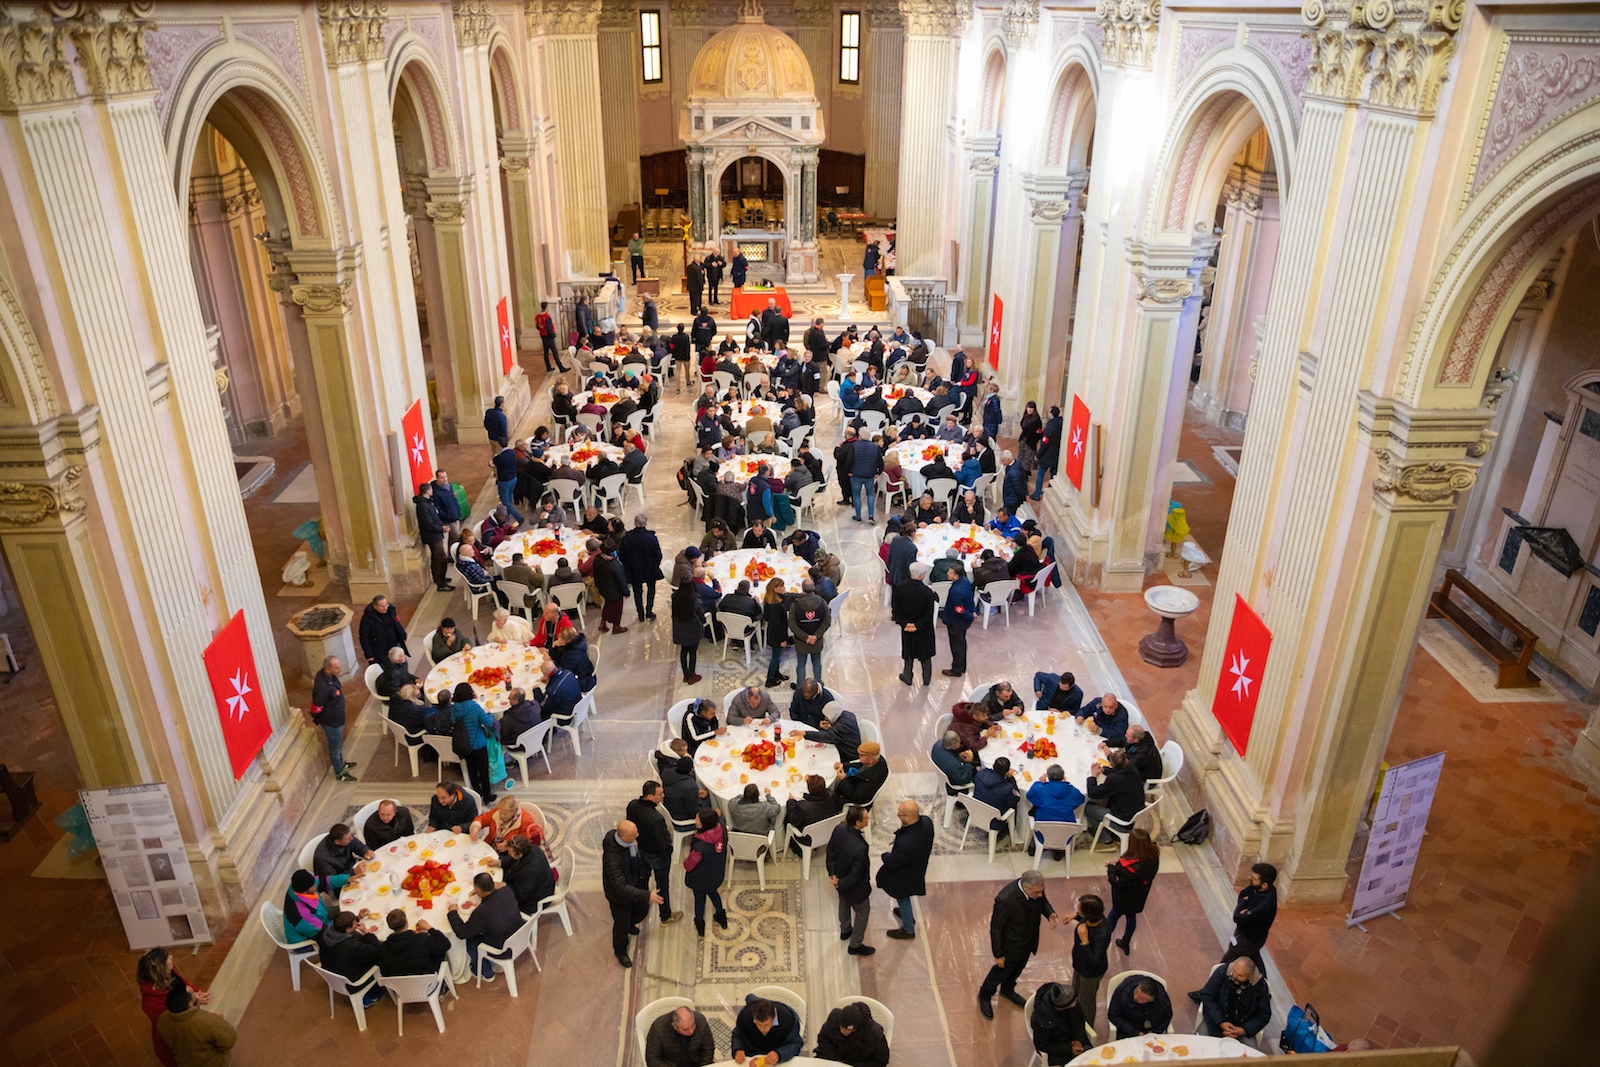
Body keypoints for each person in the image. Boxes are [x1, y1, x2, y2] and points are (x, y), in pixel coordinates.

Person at [978, 869, 1059, 1019]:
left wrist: (1050, 913)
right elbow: (996, 929)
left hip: (1028, 941)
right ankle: (985, 995)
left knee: (1017, 969)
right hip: (1010, 945)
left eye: (1041, 891)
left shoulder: (1035, 890)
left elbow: (1043, 901)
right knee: (1000, 972)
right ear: (1026, 888)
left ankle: (1007, 990)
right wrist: (998, 954)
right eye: (1036, 892)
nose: (1040, 895)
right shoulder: (1005, 899)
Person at [602, 819, 662, 967]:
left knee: (641, 910)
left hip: (634, 883)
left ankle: (630, 924)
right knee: (621, 924)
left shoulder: (626, 844)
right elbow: (620, 887)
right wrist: (647, 895)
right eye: (634, 835)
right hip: (619, 897)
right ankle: (620, 950)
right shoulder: (613, 859)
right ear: (624, 838)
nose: (638, 836)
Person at [137, 948, 210, 1067]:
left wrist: (195, 992)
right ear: (160, 969)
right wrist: (193, 999)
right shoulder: (151, 1004)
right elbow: (176, 1020)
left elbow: (182, 982)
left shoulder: (169, 972)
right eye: (167, 957)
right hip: (176, 1039)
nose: (171, 957)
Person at [627, 780, 684, 927]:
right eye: (660, 794)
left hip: (642, 850)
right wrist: (669, 851)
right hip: (657, 856)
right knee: (662, 885)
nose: (663, 795)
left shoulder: (633, 805)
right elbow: (663, 844)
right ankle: (665, 915)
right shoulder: (656, 818)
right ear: (650, 797)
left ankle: (644, 902)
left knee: (642, 879)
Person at [875, 799, 934, 940]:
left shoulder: (908, 843)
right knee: (904, 898)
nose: (898, 815)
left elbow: (893, 863)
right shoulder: (926, 822)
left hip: (905, 875)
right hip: (917, 867)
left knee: (903, 897)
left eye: (900, 814)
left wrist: (885, 855)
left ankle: (908, 929)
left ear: (908, 817)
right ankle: (905, 915)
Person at [446, 871, 523, 979]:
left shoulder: (481, 912)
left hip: (503, 948)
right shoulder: (507, 890)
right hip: (520, 934)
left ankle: (485, 972)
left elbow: (462, 933)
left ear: (479, 890)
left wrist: (452, 912)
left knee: (471, 941)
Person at [1104, 827, 1160, 956]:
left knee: (1112, 919)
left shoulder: (1128, 869)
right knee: (1131, 917)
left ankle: (1102, 943)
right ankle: (1126, 942)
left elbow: (1116, 883)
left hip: (1123, 898)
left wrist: (1111, 868)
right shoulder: (1153, 855)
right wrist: (1118, 865)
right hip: (1139, 897)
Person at [826, 805, 874, 956]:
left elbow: (830, 851)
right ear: (858, 823)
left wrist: (833, 875)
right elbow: (857, 874)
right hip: (854, 887)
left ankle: (845, 930)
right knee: (862, 913)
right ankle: (855, 944)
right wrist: (840, 882)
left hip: (839, 878)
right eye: (866, 818)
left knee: (843, 903)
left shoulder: (839, 829)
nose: (869, 819)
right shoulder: (861, 847)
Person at [155, 985, 236, 1067]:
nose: (197, 994)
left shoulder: (163, 1019)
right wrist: (217, 1022)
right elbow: (229, 1041)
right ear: (190, 1004)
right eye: (193, 993)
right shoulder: (207, 1022)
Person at [315, 911, 383, 1007]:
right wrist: (367, 933)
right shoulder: (352, 946)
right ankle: (373, 994)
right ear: (347, 929)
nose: (356, 925)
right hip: (351, 982)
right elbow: (375, 949)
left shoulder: (324, 932)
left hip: (331, 972)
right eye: (354, 924)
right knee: (381, 956)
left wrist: (357, 918)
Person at [1197, 957, 1272, 1043]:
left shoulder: (1260, 987)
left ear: (1250, 977)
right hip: (1215, 1022)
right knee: (1199, 1044)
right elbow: (1207, 996)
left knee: (1249, 1055)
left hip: (1243, 1030)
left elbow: (1263, 1014)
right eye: (1234, 970)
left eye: (1240, 975)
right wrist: (1221, 1022)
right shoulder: (1222, 972)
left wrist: (1243, 1030)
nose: (1234, 975)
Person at [681, 807, 728, 936]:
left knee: (700, 900)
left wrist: (685, 862)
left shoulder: (700, 846)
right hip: (716, 872)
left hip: (701, 878)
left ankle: (700, 924)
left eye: (697, 819)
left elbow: (689, 865)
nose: (695, 820)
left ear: (705, 824)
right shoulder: (722, 829)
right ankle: (721, 917)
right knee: (713, 893)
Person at [1068, 893, 1113, 1027]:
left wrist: (1085, 941)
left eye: (1080, 910)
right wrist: (1075, 916)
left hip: (1091, 973)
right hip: (1079, 965)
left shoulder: (1102, 933)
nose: (1077, 910)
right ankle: (1073, 1020)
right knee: (1074, 992)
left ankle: (1086, 1030)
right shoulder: (1090, 919)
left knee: (1086, 1002)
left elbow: (1095, 960)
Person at [449, 681, 499, 803]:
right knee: (483, 770)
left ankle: (476, 792)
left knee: (472, 769)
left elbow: (452, 721)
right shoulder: (475, 708)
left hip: (464, 745)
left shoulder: (454, 708)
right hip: (479, 744)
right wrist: (490, 714)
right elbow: (488, 722)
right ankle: (487, 795)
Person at [310, 655, 356, 782]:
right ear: (328, 669)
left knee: (338, 744)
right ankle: (339, 772)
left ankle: (341, 763)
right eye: (337, 668)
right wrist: (318, 717)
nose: (339, 669)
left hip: (336, 717)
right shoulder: (324, 687)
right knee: (335, 747)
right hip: (331, 722)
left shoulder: (327, 676)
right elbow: (317, 706)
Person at [1083, 749, 1144, 845]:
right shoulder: (1132, 768)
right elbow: (1118, 771)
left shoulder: (1114, 779)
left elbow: (1093, 793)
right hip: (1136, 812)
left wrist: (1093, 776)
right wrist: (1104, 770)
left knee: (1088, 807)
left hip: (1123, 821)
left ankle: (1105, 839)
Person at [892, 560, 938, 686]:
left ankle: (907, 675)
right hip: (923, 630)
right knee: (925, 654)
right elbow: (929, 614)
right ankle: (926, 678)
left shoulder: (900, 588)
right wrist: (917, 625)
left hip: (907, 629)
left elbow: (896, 608)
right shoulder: (927, 592)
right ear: (922, 575)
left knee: (909, 653)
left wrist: (905, 624)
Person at [1030, 981, 1090, 1065]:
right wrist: (1069, 1049)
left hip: (1077, 1043)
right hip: (1058, 1051)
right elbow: (1042, 1045)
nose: (1076, 1000)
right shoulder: (1040, 1020)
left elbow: (1079, 1023)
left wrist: (1078, 1040)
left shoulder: (1073, 1005)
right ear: (1063, 1008)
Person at [814, 1002, 891, 1067]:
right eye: (841, 1027)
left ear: (855, 1028)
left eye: (847, 1029)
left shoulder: (874, 1035)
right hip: (831, 1061)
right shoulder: (833, 1020)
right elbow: (823, 1038)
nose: (842, 1031)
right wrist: (835, 1059)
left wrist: (849, 1065)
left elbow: (881, 1061)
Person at [377, 908, 451, 976]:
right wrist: (428, 928)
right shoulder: (422, 940)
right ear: (406, 921)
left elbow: (384, 973)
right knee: (438, 948)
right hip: (427, 982)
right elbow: (445, 943)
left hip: (400, 987)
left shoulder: (383, 948)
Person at [281, 869, 347, 941]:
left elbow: (323, 881)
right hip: (309, 937)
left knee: (346, 909)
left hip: (321, 916)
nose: (316, 884)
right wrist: (345, 921)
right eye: (313, 885)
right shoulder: (302, 916)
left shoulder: (299, 886)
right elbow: (322, 930)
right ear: (305, 891)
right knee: (349, 927)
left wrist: (347, 878)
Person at [787, 578, 831, 686]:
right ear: (814, 588)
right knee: (817, 662)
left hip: (801, 642)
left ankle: (800, 687)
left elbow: (792, 624)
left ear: (802, 589)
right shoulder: (822, 603)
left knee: (801, 664)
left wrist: (805, 637)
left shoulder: (795, 605)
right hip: (817, 641)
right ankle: (818, 684)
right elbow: (827, 621)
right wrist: (815, 636)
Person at [620, 514, 663, 623]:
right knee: (651, 589)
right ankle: (649, 611)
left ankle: (640, 614)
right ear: (646, 523)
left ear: (635, 523)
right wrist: (654, 565)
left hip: (634, 569)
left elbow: (622, 555)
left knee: (637, 591)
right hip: (649, 568)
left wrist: (628, 567)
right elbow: (658, 555)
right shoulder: (651, 537)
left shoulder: (627, 538)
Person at [784, 773, 842, 853]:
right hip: (828, 828)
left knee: (787, 819)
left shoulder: (802, 807)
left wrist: (791, 801)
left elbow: (794, 821)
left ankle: (797, 849)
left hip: (808, 838)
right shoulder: (832, 795)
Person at [645, 1006, 717, 1067]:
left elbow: (708, 1048)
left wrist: (703, 1065)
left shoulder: (701, 1021)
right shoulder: (659, 1028)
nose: (691, 1031)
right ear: (674, 1026)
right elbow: (652, 1058)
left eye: (693, 1025)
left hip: (696, 1063)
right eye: (685, 1030)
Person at [1107, 975, 1173, 1040]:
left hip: (1152, 1034)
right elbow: (1113, 1015)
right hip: (1127, 1031)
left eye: (1141, 998)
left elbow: (1167, 1016)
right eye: (1136, 992)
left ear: (1150, 1000)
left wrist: (1156, 1032)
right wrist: (1136, 1033)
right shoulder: (1123, 991)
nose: (1135, 997)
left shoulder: (1162, 999)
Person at [415, 483, 454, 592]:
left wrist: (442, 526)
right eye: (431, 489)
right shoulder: (423, 506)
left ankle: (440, 578)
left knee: (437, 558)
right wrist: (442, 529)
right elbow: (428, 523)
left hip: (436, 533)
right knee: (441, 558)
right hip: (432, 536)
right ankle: (441, 583)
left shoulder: (428, 502)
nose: (432, 490)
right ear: (427, 491)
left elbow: (435, 518)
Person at [471, 794, 541, 853]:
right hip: (491, 845)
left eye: (505, 814)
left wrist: (509, 846)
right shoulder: (499, 811)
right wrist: (475, 827)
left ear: (513, 811)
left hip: (511, 854)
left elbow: (526, 844)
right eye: (500, 812)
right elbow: (483, 818)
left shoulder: (526, 821)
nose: (501, 816)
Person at [973, 757, 1021, 836]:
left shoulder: (980, 774)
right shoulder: (1007, 788)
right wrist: (1011, 779)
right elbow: (1017, 798)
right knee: (1011, 802)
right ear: (1007, 772)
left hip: (976, 811)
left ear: (993, 766)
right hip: (994, 821)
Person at [761, 577, 794, 688]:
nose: (784, 588)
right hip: (777, 635)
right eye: (781, 586)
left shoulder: (769, 600)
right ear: (775, 589)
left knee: (778, 655)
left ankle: (777, 674)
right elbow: (777, 625)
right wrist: (783, 640)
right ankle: (770, 679)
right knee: (775, 657)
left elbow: (766, 617)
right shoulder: (775, 606)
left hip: (773, 631)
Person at [672, 580, 706, 684]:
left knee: (683, 651)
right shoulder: (695, 600)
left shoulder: (675, 596)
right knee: (692, 652)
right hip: (692, 629)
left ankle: (685, 674)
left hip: (679, 629)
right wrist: (703, 621)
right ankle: (692, 675)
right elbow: (701, 615)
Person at [835, 740, 887, 806]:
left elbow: (857, 797)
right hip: (855, 783)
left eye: (862, 755)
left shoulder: (869, 779)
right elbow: (860, 764)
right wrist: (844, 766)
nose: (859, 756)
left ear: (870, 759)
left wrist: (843, 780)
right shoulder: (877, 760)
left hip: (851, 801)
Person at [1034, 405, 1063, 499]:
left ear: (1051, 414)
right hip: (1056, 455)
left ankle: (1037, 494)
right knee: (1053, 476)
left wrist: (1038, 455)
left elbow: (1045, 443)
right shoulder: (1061, 425)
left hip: (1047, 455)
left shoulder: (1050, 427)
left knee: (1040, 475)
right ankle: (1050, 494)